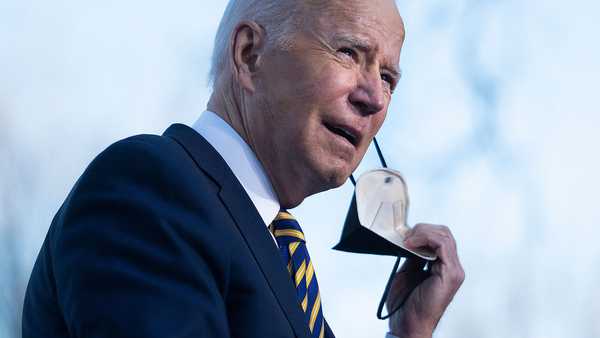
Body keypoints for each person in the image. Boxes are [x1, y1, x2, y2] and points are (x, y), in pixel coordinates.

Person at [22, 0, 464, 337]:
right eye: (348, 53)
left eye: (388, 78)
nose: (375, 97)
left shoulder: (282, 264)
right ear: (250, 54)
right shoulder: (149, 185)